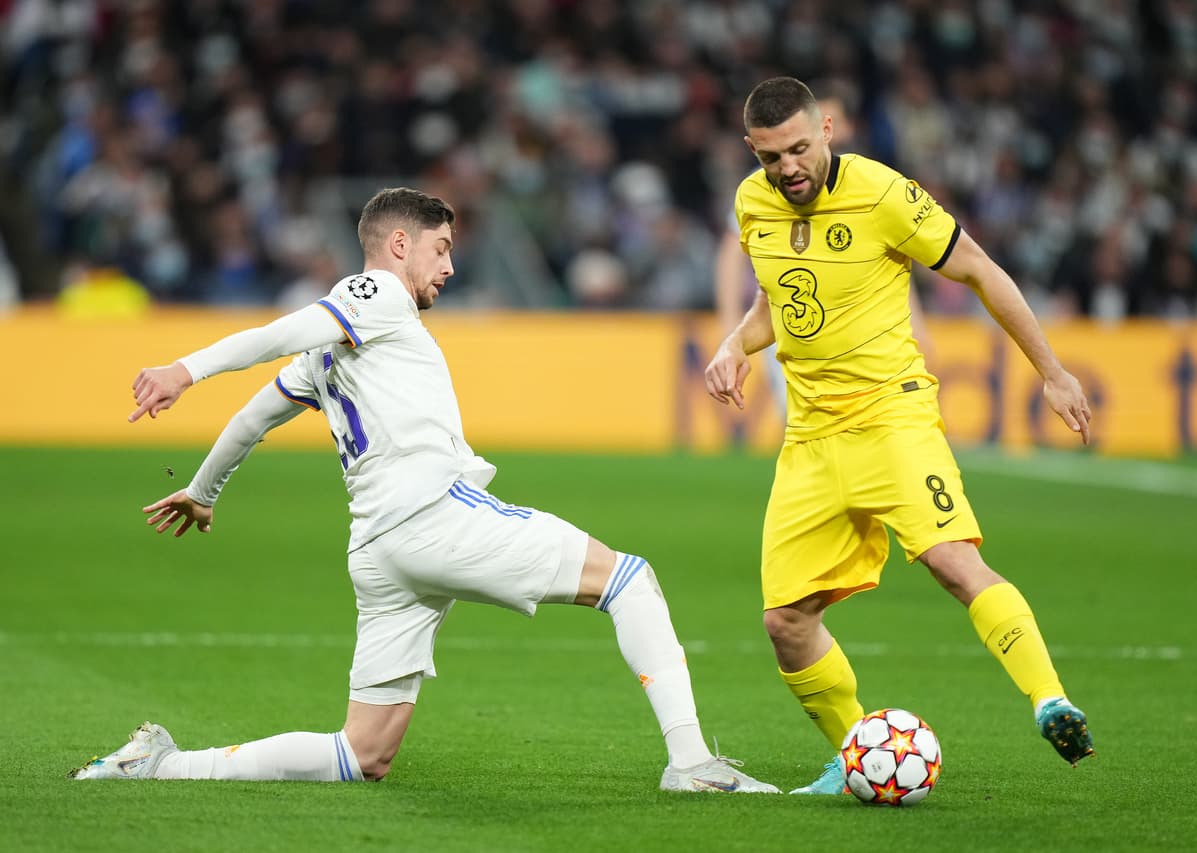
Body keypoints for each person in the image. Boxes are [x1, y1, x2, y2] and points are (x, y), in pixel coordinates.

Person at [71, 187, 777, 794]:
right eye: (440, 248)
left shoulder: (337, 350)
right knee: (630, 579)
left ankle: (162, 765)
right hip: (436, 516)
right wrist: (183, 370)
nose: (448, 264)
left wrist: (203, 487)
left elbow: (256, 417)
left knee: (361, 753)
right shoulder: (373, 292)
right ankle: (693, 762)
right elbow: (279, 331)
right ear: (399, 243)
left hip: (380, 551)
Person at [704, 78, 1095, 795]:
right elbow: (778, 300)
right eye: (770, 157)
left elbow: (977, 267)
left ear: (826, 129)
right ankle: (854, 754)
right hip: (812, 438)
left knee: (952, 560)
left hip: (892, 417)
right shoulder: (751, 203)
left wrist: (1054, 371)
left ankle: (1049, 698)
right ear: (751, 151)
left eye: (799, 149)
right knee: (786, 621)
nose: (788, 168)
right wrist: (736, 343)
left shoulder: (884, 194)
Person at [713, 79, 934, 418]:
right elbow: (733, 252)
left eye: (833, 120)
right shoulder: (766, 186)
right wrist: (732, 332)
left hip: (867, 343)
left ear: (837, 127)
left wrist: (917, 325)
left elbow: (894, 263)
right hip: (798, 331)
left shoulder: (873, 185)